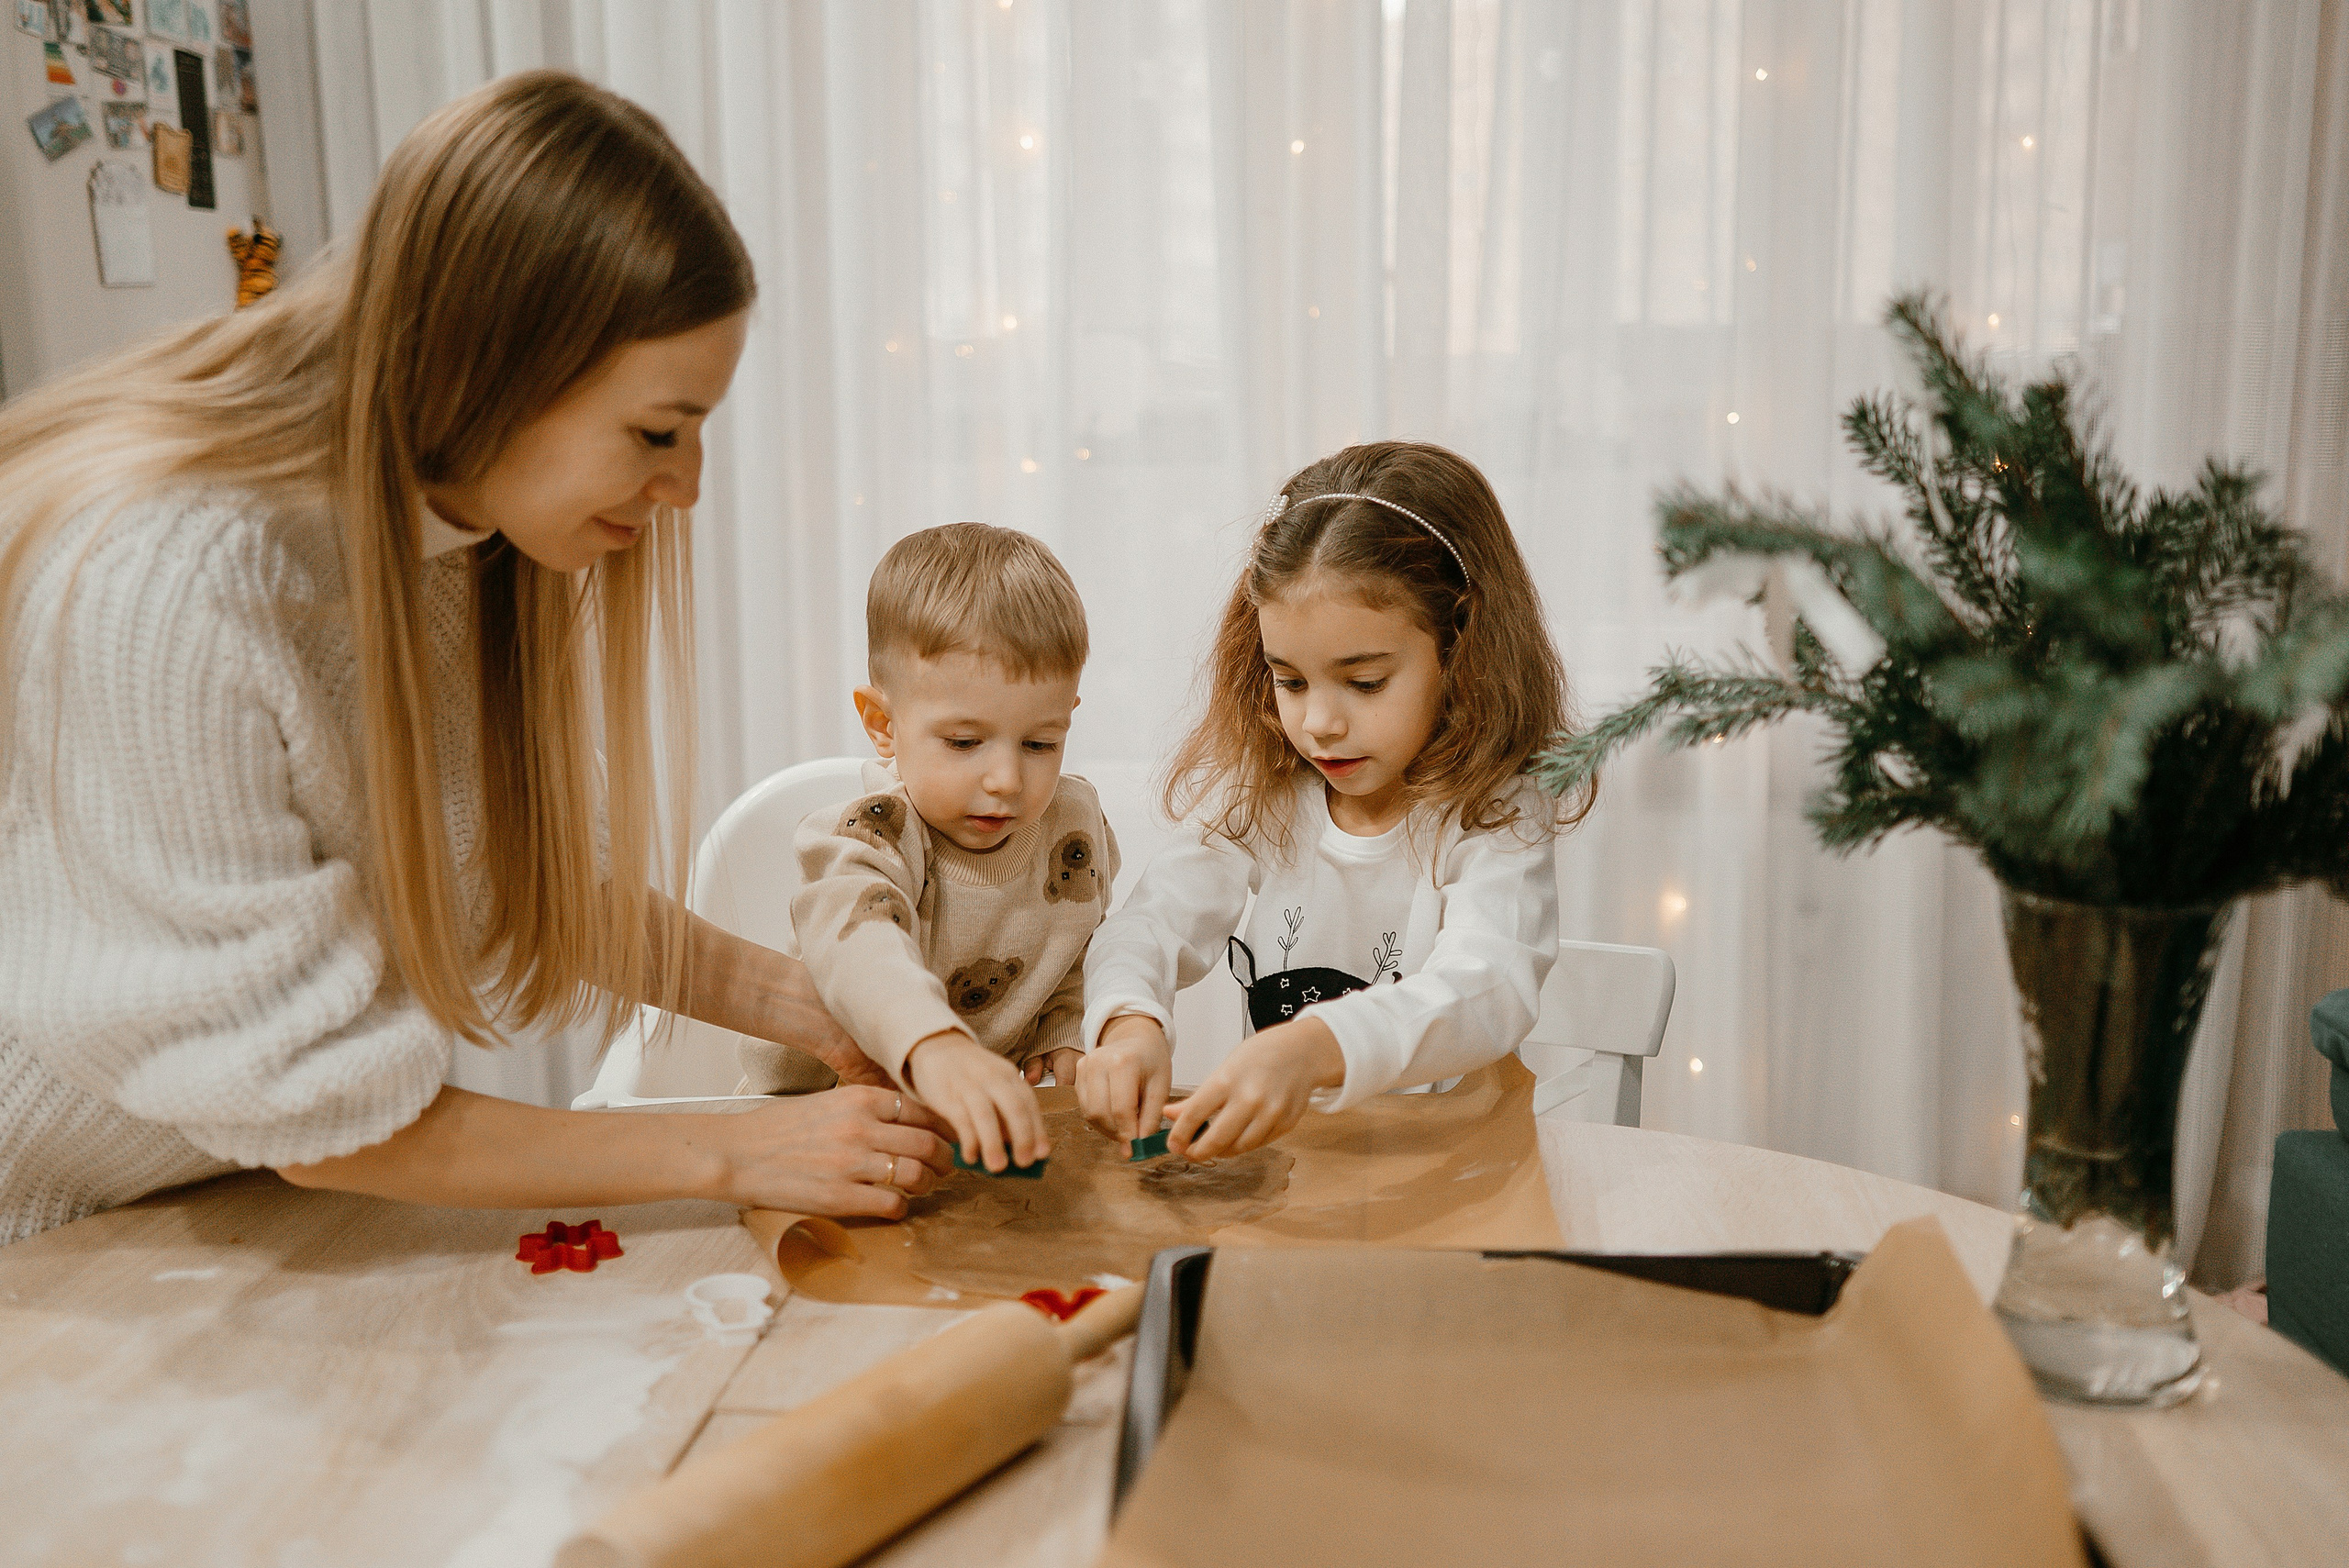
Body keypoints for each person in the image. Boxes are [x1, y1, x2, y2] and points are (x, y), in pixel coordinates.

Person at [0, 72, 951, 1246]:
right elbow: (322, 1109)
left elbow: (513, 878)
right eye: (657, 431)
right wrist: (739, 1144)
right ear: (490, 366)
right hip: (44, 1226)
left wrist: (822, 1007)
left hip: (198, 1196)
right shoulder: (167, 580)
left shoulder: (463, 529)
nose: (688, 487)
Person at [1075, 441, 1593, 1159]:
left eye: (1365, 681)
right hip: (1305, 1167)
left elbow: (1488, 986)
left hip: (1453, 1169)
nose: (1320, 722)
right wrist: (1126, 1021)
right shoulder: (1266, 790)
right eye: (1291, 681)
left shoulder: (1494, 811)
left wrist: (1312, 1048)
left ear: (1462, 649)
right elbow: (1151, 922)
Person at [741, 524, 1117, 1174]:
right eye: (966, 743)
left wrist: (1065, 1035)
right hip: (813, 1117)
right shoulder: (871, 832)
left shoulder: (1074, 824)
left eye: (1038, 743)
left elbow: (1078, 950)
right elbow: (860, 943)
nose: (1006, 779)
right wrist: (933, 1043)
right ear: (884, 725)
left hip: (960, 1127)